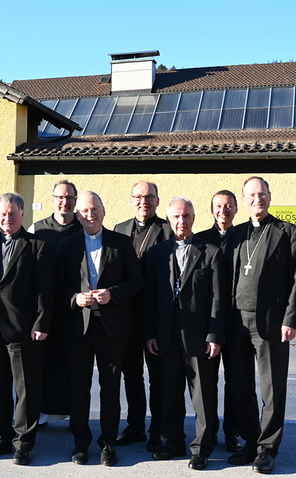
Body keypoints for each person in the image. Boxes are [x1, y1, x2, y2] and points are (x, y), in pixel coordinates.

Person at [56, 191, 143, 466]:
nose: (89, 215)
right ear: (77, 214)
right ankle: (80, 444)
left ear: (104, 211)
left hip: (112, 328)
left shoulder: (121, 243)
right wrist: (75, 298)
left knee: (110, 387)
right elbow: (55, 285)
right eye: (84, 211)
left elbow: (136, 280)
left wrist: (113, 294)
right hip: (78, 328)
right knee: (79, 388)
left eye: (95, 209)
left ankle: (108, 443)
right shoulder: (67, 245)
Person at [225, 177, 296, 474]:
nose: (257, 199)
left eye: (262, 194)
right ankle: (250, 441)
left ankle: (268, 449)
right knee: (240, 386)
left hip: (270, 323)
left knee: (272, 389)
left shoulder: (287, 232)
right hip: (236, 322)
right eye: (251, 195)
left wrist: (290, 319)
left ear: (269, 197)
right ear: (243, 201)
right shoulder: (236, 235)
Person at [145, 197, 229, 470]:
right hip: (166, 335)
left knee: (203, 395)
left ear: (194, 218)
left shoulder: (211, 251)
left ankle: (202, 448)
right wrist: (151, 333)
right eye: (177, 217)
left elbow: (219, 297)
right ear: (169, 220)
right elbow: (151, 298)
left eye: (187, 216)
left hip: (199, 337)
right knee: (169, 392)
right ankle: (173, 441)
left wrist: (215, 335)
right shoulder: (157, 254)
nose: (182, 221)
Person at [0, 193, 52, 466]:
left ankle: (24, 443)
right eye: (2, 214)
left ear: (22, 214)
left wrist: (41, 323)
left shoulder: (37, 246)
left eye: (12, 214)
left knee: (26, 389)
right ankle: (2, 436)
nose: (7, 219)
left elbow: (44, 291)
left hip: (24, 330)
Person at [113, 181, 172, 451]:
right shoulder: (120, 230)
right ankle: (135, 426)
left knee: (158, 377)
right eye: (137, 196)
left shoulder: (168, 230)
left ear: (157, 201)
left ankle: (158, 428)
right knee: (131, 375)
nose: (143, 201)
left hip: (156, 317)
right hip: (126, 316)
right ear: (131, 200)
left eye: (149, 197)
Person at [197, 190, 243, 453]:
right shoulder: (201, 239)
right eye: (218, 206)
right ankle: (209, 432)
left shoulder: (244, 237)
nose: (223, 211)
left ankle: (232, 433)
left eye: (228, 206)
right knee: (208, 382)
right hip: (208, 322)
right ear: (211, 210)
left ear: (235, 209)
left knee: (236, 381)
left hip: (237, 321)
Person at [29, 180, 79, 422]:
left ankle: (70, 414)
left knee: (70, 364)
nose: (65, 202)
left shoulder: (84, 228)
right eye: (60, 197)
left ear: (75, 202)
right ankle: (38, 413)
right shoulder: (37, 230)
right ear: (52, 200)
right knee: (40, 364)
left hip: (73, 309)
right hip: (42, 309)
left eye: (69, 198)